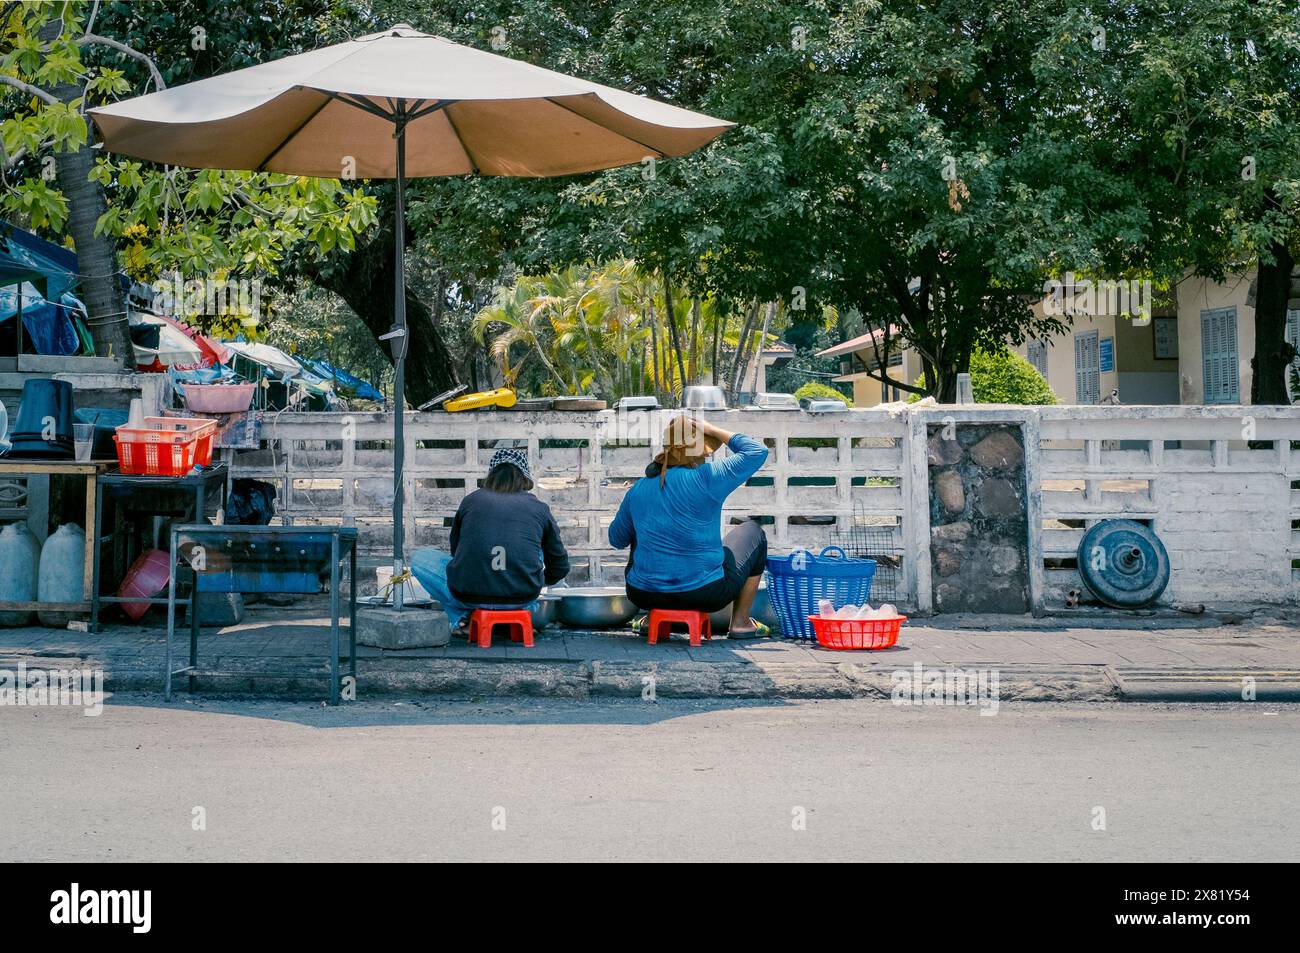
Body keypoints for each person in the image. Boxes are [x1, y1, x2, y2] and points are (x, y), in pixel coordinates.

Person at [609, 415, 770, 636]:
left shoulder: (638, 489)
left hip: (642, 593)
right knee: (754, 532)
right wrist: (711, 428)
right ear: (697, 455)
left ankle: (649, 619)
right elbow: (756, 451)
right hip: (704, 593)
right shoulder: (707, 477)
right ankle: (740, 623)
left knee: (641, 530)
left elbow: (616, 540)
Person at [411, 447, 570, 634]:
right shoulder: (539, 508)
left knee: (419, 559)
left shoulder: (471, 501)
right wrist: (539, 581)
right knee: (537, 547)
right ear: (524, 477)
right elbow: (559, 564)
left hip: (468, 594)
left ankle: (462, 618)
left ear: (491, 475)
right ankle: (516, 617)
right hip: (522, 597)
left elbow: (457, 551)